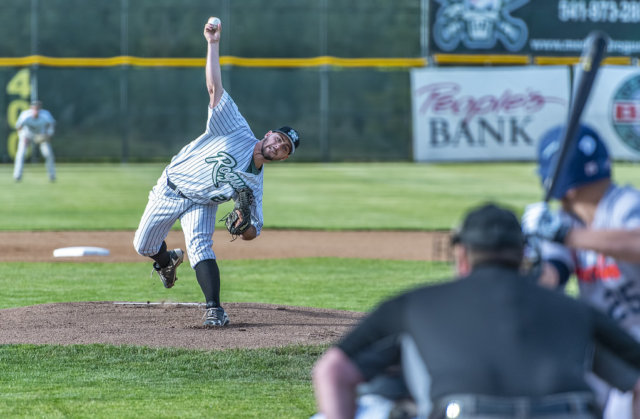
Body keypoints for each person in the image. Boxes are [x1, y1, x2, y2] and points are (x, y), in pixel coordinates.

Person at [312, 203, 640, 419]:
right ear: (523, 257)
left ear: (463, 256)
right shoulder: (575, 311)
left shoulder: (414, 304)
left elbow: (331, 371)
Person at [132, 17, 301, 327]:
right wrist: (212, 44)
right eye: (279, 138)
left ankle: (214, 309)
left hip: (202, 203)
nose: (278, 145)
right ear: (268, 134)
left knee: (200, 247)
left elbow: (253, 232)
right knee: (142, 245)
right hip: (171, 187)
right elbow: (214, 88)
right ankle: (167, 260)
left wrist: (244, 223)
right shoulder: (235, 127)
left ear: (284, 158)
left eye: (285, 147)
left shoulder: (253, 184)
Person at [522, 123, 640, 419]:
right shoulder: (565, 220)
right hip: (602, 342)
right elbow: (552, 278)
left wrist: (563, 234)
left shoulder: (625, 204)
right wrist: (526, 261)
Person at [13, 100, 56, 182]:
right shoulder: (25, 115)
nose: (36, 109)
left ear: (40, 108)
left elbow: (51, 125)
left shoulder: (45, 115)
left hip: (41, 135)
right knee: (21, 154)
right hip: (27, 135)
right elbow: (19, 127)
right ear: (31, 108)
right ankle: (17, 175)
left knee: (48, 154)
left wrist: (49, 134)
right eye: (34, 107)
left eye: (37, 108)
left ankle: (52, 175)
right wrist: (22, 136)